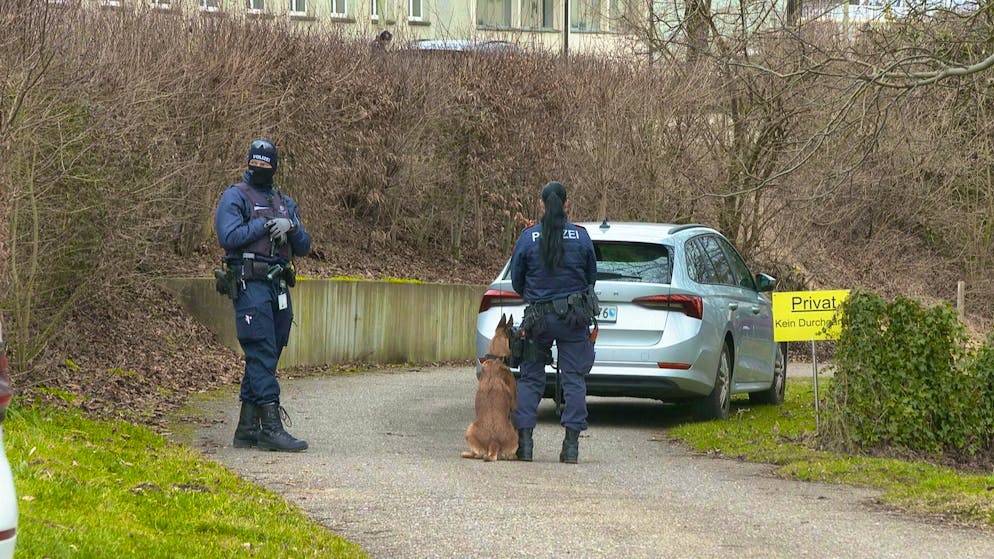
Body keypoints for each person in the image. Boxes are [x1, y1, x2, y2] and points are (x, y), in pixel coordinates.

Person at [214, 138, 312, 452]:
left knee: (267, 354)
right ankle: (270, 427)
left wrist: (291, 228)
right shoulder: (235, 197)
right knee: (260, 350)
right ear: (248, 163)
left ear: (273, 166)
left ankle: (246, 428)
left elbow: (306, 246)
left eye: (264, 164)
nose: (259, 168)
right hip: (249, 284)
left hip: (278, 285)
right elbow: (228, 236)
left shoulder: (285, 201)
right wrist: (264, 225)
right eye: (254, 163)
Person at [509, 181, 597, 464]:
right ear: (567, 204)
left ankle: (525, 444)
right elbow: (590, 279)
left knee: (531, 378)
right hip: (573, 320)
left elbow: (517, 280)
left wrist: (537, 298)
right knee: (573, 379)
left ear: (541, 204)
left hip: (538, 319)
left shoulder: (527, 237)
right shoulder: (582, 237)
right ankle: (570, 447)